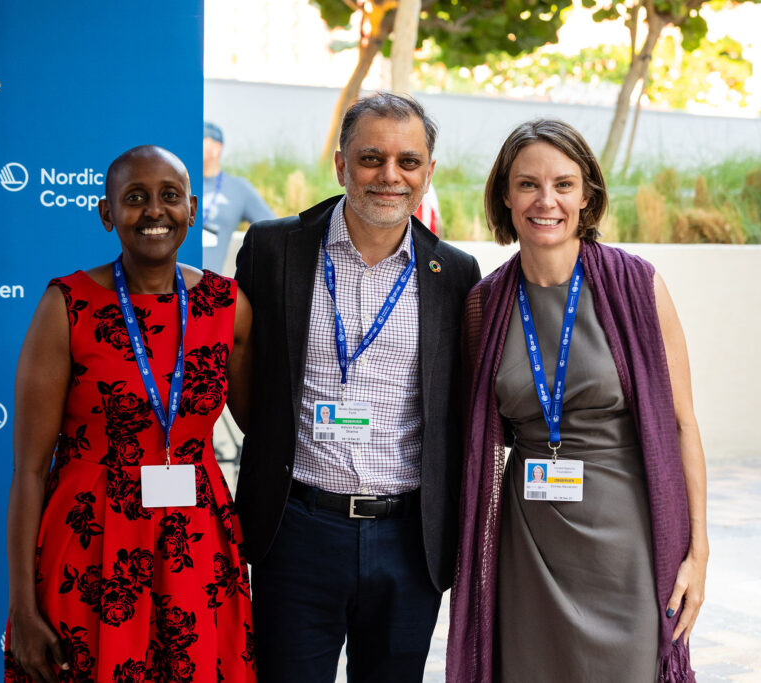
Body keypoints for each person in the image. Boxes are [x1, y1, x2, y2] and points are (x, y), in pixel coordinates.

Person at [447, 120, 708, 683]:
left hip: (627, 541)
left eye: (563, 185)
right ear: (505, 196)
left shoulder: (638, 286)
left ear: (586, 195)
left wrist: (698, 554)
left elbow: (683, 426)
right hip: (529, 542)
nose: (547, 201)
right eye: (528, 185)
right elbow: (479, 437)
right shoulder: (484, 304)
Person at [234, 92, 481, 682]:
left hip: (408, 538)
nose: (390, 176)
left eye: (409, 162)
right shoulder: (273, 250)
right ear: (341, 164)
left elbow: (456, 407)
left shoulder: (456, 275)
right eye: (371, 158)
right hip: (296, 529)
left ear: (428, 174)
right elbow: (241, 375)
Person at [4, 145, 256, 683]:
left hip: (195, 543)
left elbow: (265, 424)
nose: (154, 211)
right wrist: (22, 609)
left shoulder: (227, 305)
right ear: (106, 213)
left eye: (169, 197)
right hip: (90, 543)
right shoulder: (66, 305)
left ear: (191, 208)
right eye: (135, 198)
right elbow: (28, 470)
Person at [201, 121, 277, 274]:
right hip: (171, 283)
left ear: (217, 148)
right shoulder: (180, 183)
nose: (196, 144)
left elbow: (273, 228)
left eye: (202, 139)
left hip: (209, 288)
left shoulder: (238, 188)